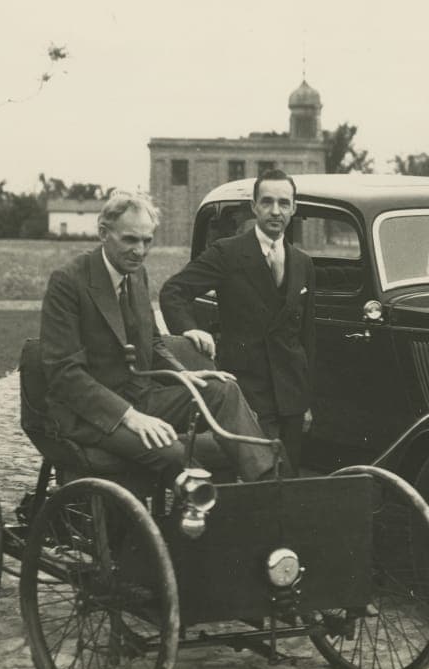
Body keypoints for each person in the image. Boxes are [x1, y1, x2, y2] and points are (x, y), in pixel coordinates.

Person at [39, 193, 281, 489]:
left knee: (223, 390)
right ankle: (201, 512)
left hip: (142, 397)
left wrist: (185, 375)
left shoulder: (136, 275)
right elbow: (65, 375)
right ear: (103, 232)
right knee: (173, 450)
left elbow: (151, 343)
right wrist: (130, 417)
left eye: (147, 241)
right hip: (90, 415)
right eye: (130, 240)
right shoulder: (68, 282)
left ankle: (271, 487)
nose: (139, 251)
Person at [160, 169, 316, 476]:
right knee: (257, 479)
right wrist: (190, 330)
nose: (276, 211)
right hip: (247, 392)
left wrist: (306, 400)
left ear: (294, 208)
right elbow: (173, 292)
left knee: (289, 479)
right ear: (254, 207)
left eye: (284, 203)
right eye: (267, 202)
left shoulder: (303, 263)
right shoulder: (228, 252)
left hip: (291, 398)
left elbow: (307, 337)